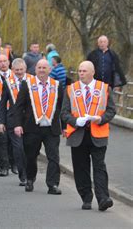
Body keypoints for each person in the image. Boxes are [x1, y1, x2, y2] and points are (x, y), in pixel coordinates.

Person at [61, 61, 116, 211]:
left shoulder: (104, 88)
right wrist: (75, 120)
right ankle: (86, 197)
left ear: (93, 72)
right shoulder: (70, 89)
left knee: (99, 167)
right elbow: (64, 113)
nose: (81, 73)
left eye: (84, 71)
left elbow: (111, 110)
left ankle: (103, 198)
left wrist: (101, 119)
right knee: (80, 168)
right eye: (79, 71)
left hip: (98, 133)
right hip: (77, 134)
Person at [13, 59, 63, 195]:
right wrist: (17, 124)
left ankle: (52, 184)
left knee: (53, 157)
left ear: (49, 70)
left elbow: (62, 108)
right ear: (35, 70)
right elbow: (18, 107)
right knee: (30, 156)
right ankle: (30, 178)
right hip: (32, 128)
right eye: (39, 68)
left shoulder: (56, 85)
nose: (42, 70)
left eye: (44, 68)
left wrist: (64, 126)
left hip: (51, 128)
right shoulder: (27, 84)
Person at [0, 58, 32, 186]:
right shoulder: (8, 82)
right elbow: (2, 104)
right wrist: (1, 121)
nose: (19, 72)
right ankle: (23, 174)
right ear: (13, 70)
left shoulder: (32, 80)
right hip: (13, 120)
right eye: (17, 70)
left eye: (21, 70)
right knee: (18, 149)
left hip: (29, 120)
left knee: (28, 148)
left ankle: (30, 173)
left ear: (25, 69)